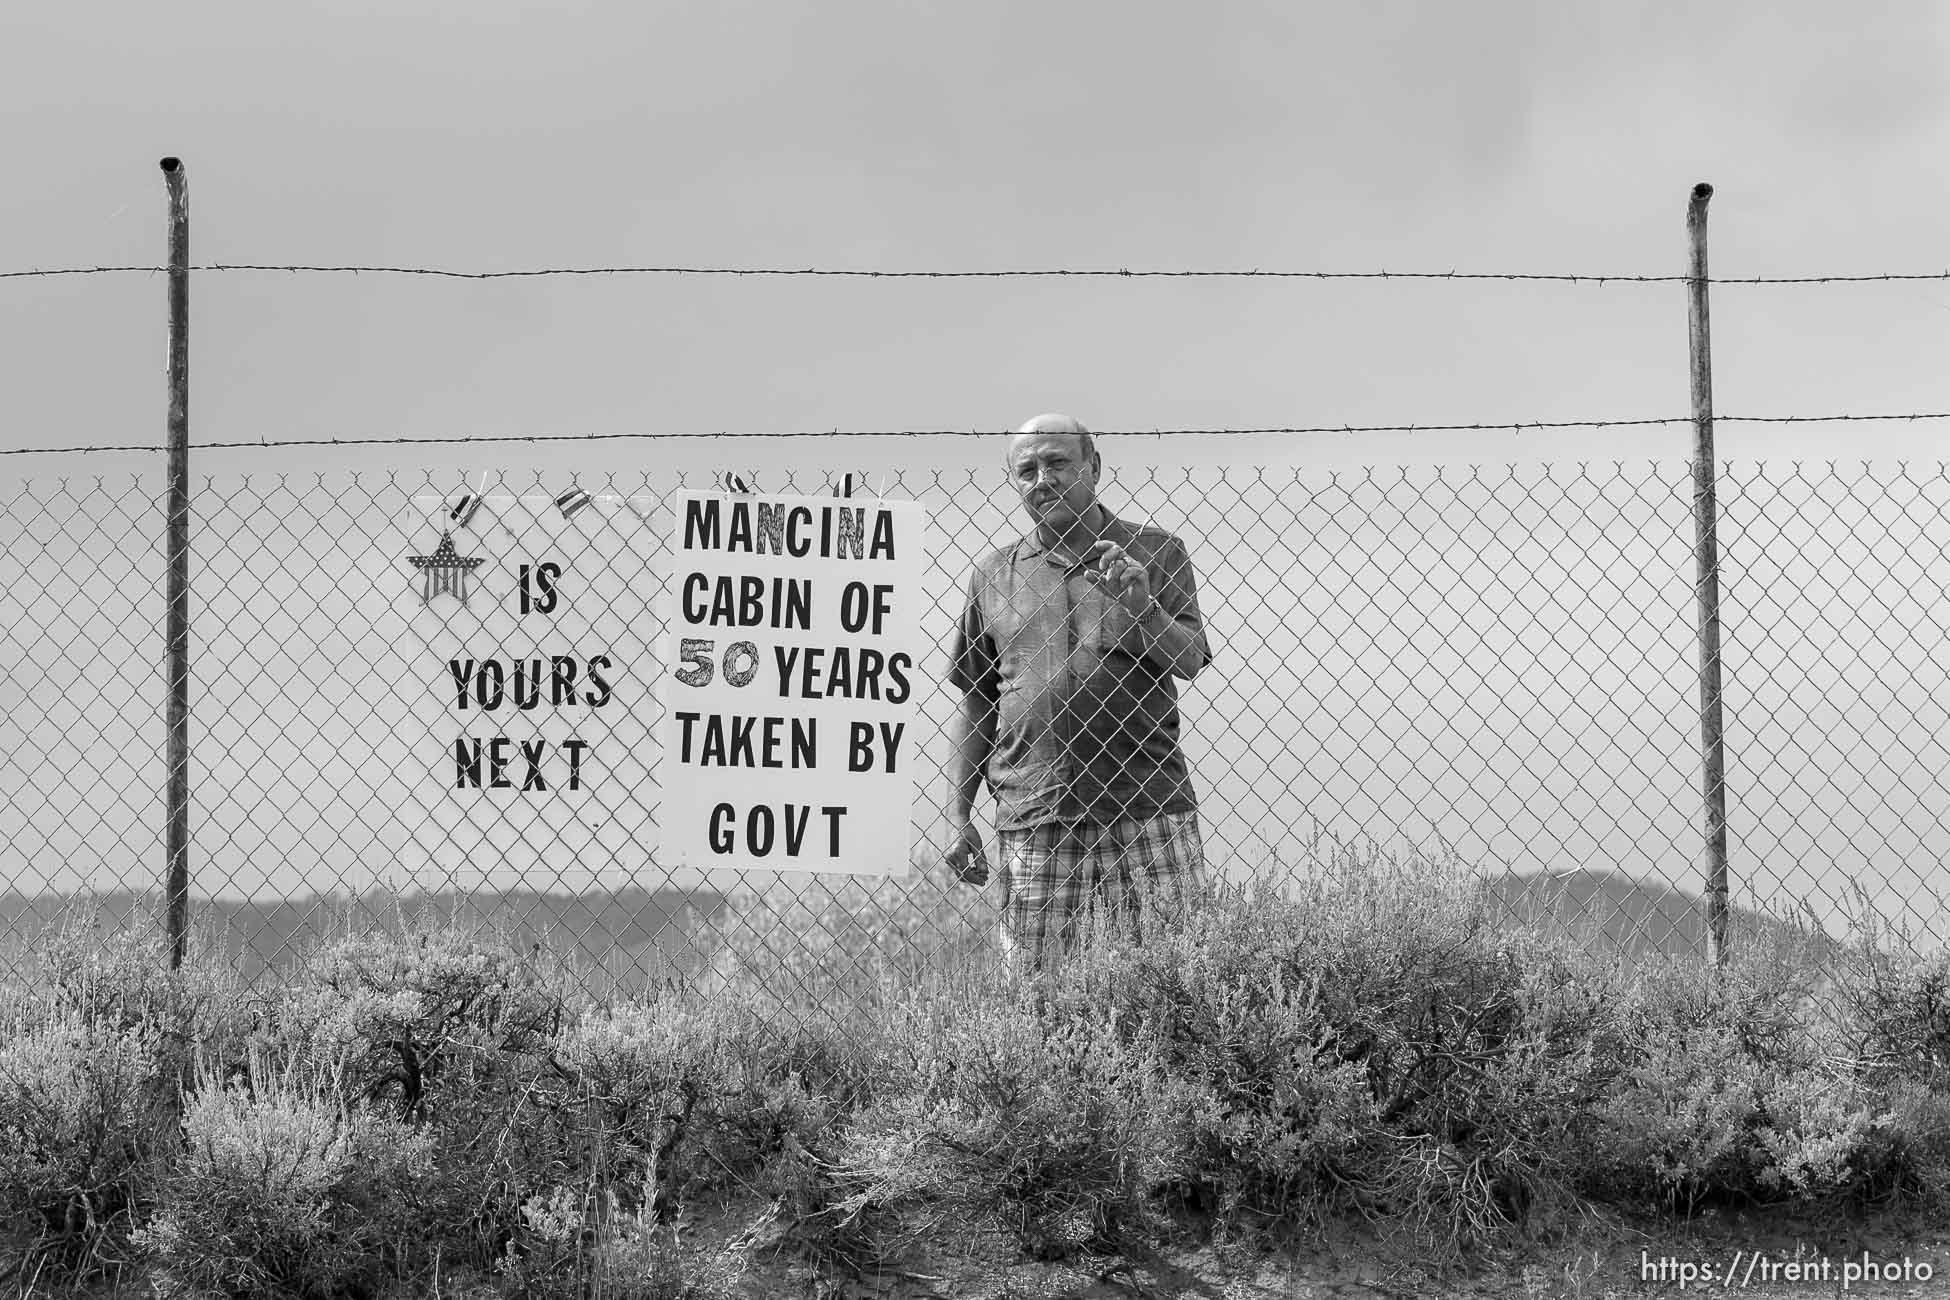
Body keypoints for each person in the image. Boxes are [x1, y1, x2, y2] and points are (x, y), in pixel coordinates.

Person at [944, 413, 1212, 962]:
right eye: (1027, 470)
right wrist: (958, 816)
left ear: (1093, 465)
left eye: (1058, 462)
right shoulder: (993, 575)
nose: (1043, 480)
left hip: (1147, 805)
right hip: (1034, 810)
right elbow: (977, 701)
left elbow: (1189, 660)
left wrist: (1143, 610)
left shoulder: (1155, 554)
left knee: (1179, 983)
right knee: (1034, 992)